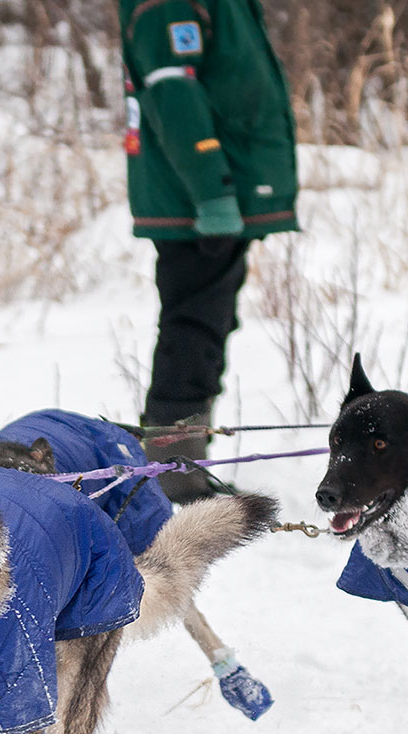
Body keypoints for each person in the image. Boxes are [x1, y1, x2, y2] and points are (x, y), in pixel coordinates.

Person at [118, 0, 298, 502]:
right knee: (193, 330)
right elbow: (171, 90)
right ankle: (173, 478)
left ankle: (181, 469)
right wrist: (211, 189)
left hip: (212, 194)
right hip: (195, 198)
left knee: (207, 326)